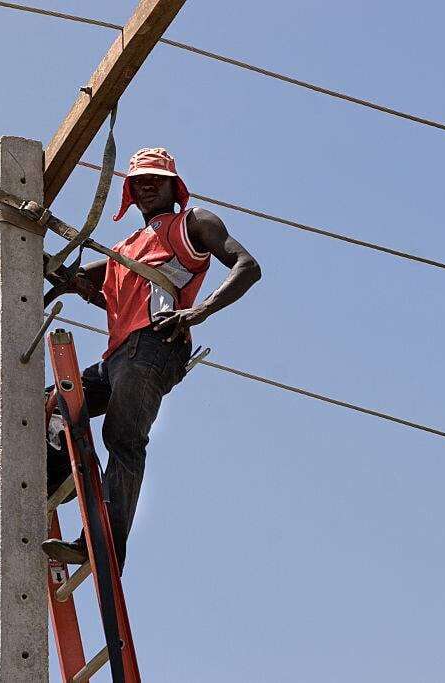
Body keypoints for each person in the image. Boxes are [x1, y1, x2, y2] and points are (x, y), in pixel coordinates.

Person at [42, 147, 261, 570]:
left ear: (172, 186)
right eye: (139, 179)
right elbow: (79, 280)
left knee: (123, 441)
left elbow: (247, 266)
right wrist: (36, 260)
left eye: (155, 178)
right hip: (118, 355)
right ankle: (57, 478)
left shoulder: (192, 222)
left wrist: (199, 311)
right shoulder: (125, 248)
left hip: (155, 346)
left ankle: (101, 544)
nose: (146, 185)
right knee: (52, 404)